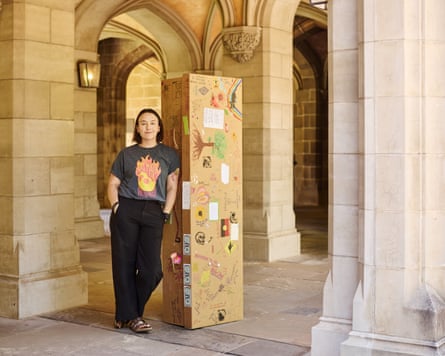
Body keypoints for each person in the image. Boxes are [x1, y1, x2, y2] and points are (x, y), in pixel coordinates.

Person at [107, 108, 180, 333]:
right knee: (124, 265)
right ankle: (135, 318)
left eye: (152, 122)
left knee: (152, 270)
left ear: (159, 127)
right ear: (137, 128)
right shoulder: (126, 155)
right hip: (126, 209)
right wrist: (117, 207)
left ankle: (125, 313)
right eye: (143, 123)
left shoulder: (169, 154)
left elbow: (172, 186)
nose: (148, 126)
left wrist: (166, 212)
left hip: (154, 212)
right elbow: (112, 184)